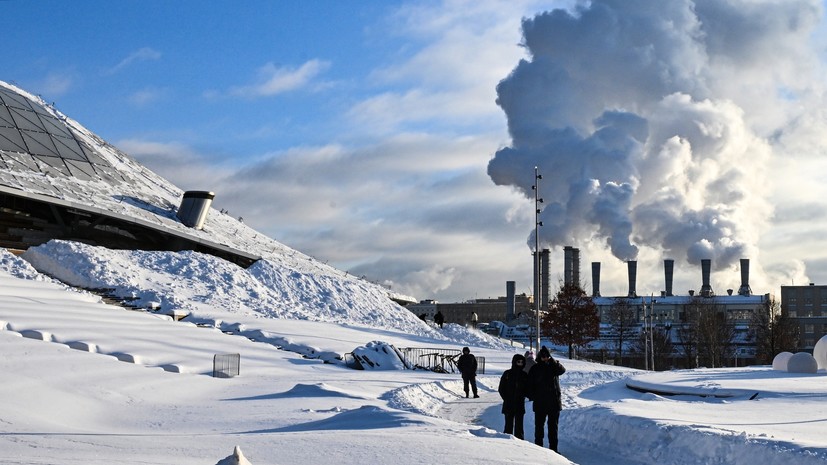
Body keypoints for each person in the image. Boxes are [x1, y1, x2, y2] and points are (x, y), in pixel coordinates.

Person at [528, 346, 566, 453]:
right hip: (540, 402)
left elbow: (562, 370)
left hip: (553, 402)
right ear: (539, 356)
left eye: (546, 356)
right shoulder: (535, 368)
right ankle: (538, 448)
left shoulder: (553, 366)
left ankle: (553, 449)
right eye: (543, 356)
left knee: (553, 428)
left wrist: (552, 360)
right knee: (539, 427)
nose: (544, 358)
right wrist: (533, 396)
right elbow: (529, 384)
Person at [498, 353, 530, 439]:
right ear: (514, 362)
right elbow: (501, 388)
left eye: (522, 362)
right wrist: (507, 398)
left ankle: (519, 445)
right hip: (509, 404)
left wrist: (525, 395)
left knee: (519, 427)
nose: (520, 363)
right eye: (518, 362)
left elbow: (528, 389)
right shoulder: (507, 373)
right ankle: (507, 444)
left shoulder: (524, 375)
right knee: (508, 426)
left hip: (519, 404)